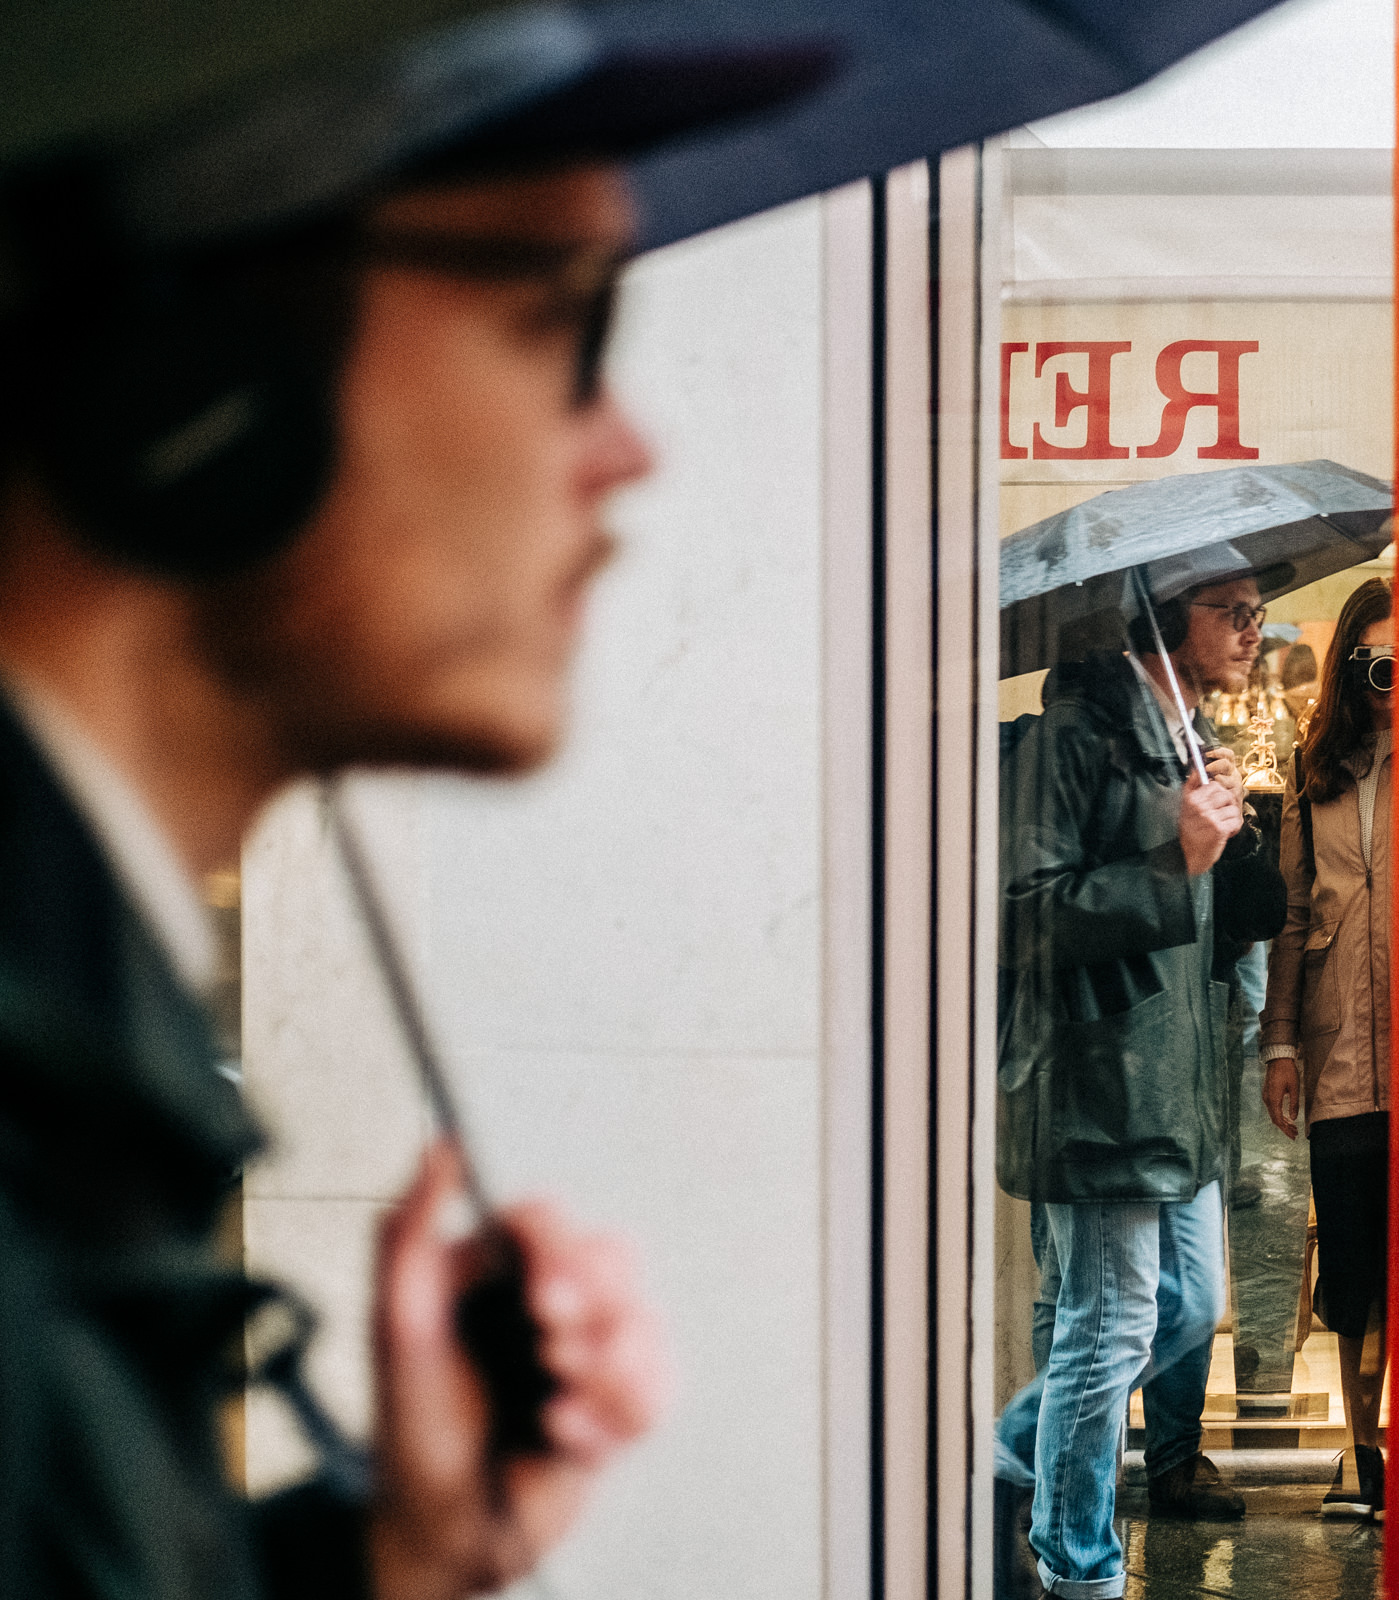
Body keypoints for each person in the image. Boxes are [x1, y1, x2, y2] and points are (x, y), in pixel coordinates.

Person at [0, 11, 830, 1599]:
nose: (625, 449)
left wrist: (383, 1555)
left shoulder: (81, 1088)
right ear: (193, 387)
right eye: (563, 319)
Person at [999, 571, 1278, 1599]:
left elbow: (1238, 919)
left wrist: (1226, 830)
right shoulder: (1074, 737)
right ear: (1162, 621)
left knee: (1191, 1306)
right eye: (1231, 609)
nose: (1254, 629)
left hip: (1178, 1087)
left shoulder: (1183, 743)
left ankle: (1007, 1450)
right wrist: (1178, 858)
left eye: (1258, 609)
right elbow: (1024, 915)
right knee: (1110, 1323)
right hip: (1099, 1083)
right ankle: (1080, 1567)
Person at [1260, 576, 1395, 1521]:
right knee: (1351, 1265)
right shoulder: (1319, 773)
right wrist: (1280, 1046)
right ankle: (1362, 1450)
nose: (1394, 676)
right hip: (1341, 1049)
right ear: (1350, 664)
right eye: (1378, 659)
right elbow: (1292, 914)